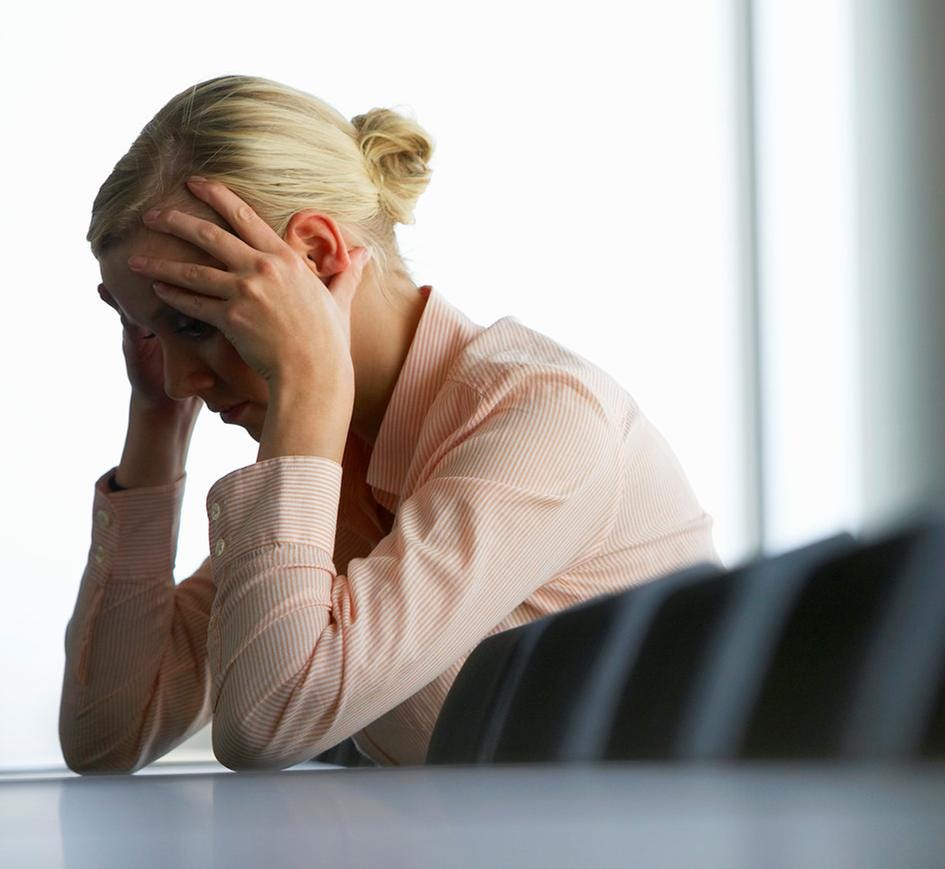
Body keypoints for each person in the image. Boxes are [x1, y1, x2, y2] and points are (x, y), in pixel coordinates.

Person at [59, 75, 722, 773]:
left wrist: (309, 387)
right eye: (151, 333)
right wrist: (155, 422)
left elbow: (268, 721)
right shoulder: (337, 452)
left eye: (194, 322)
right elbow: (109, 733)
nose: (178, 376)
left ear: (314, 256)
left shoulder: (542, 416)